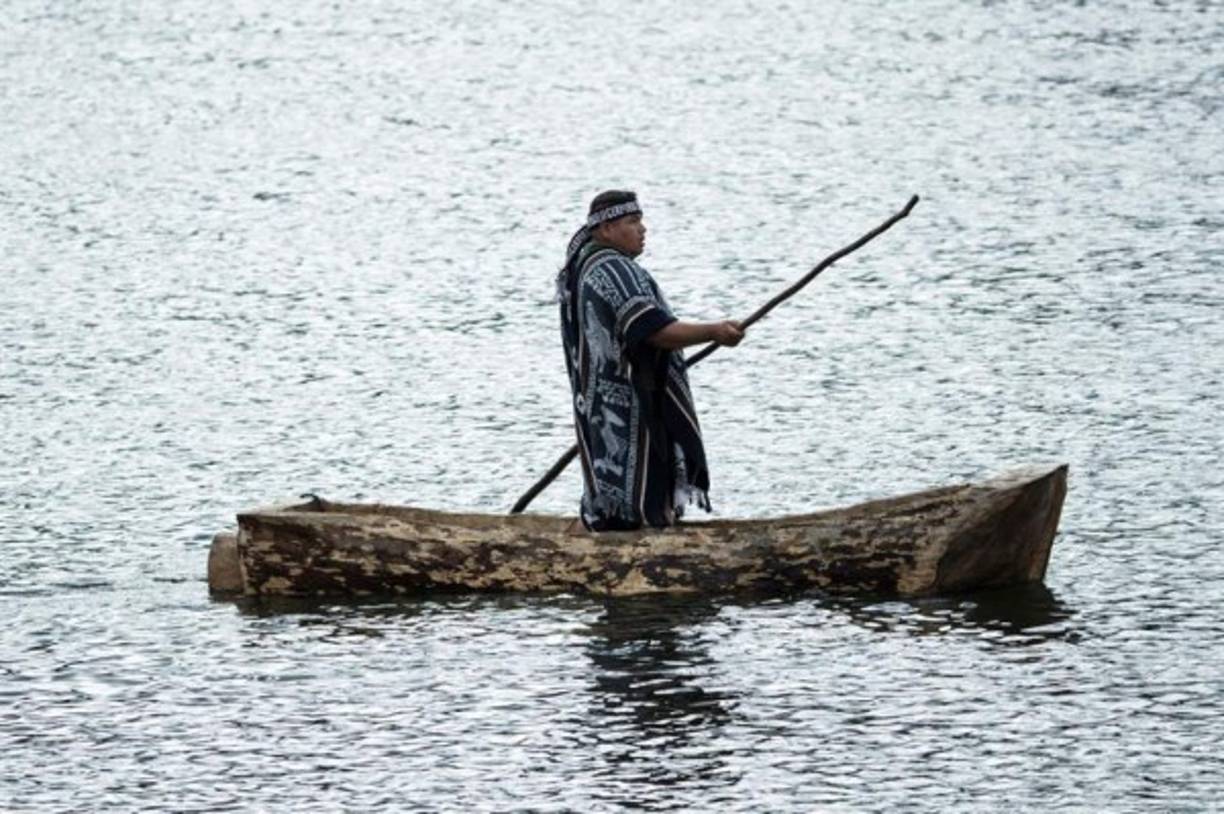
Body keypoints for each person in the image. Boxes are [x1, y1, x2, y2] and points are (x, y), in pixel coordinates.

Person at [557, 190, 744, 531]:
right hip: (632, 403)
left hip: (602, 403)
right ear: (607, 229)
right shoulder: (612, 268)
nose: (643, 229)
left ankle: (616, 528)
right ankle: (645, 535)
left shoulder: (586, 264)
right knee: (645, 491)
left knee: (617, 490)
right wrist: (714, 331)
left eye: (640, 220)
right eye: (633, 221)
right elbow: (652, 329)